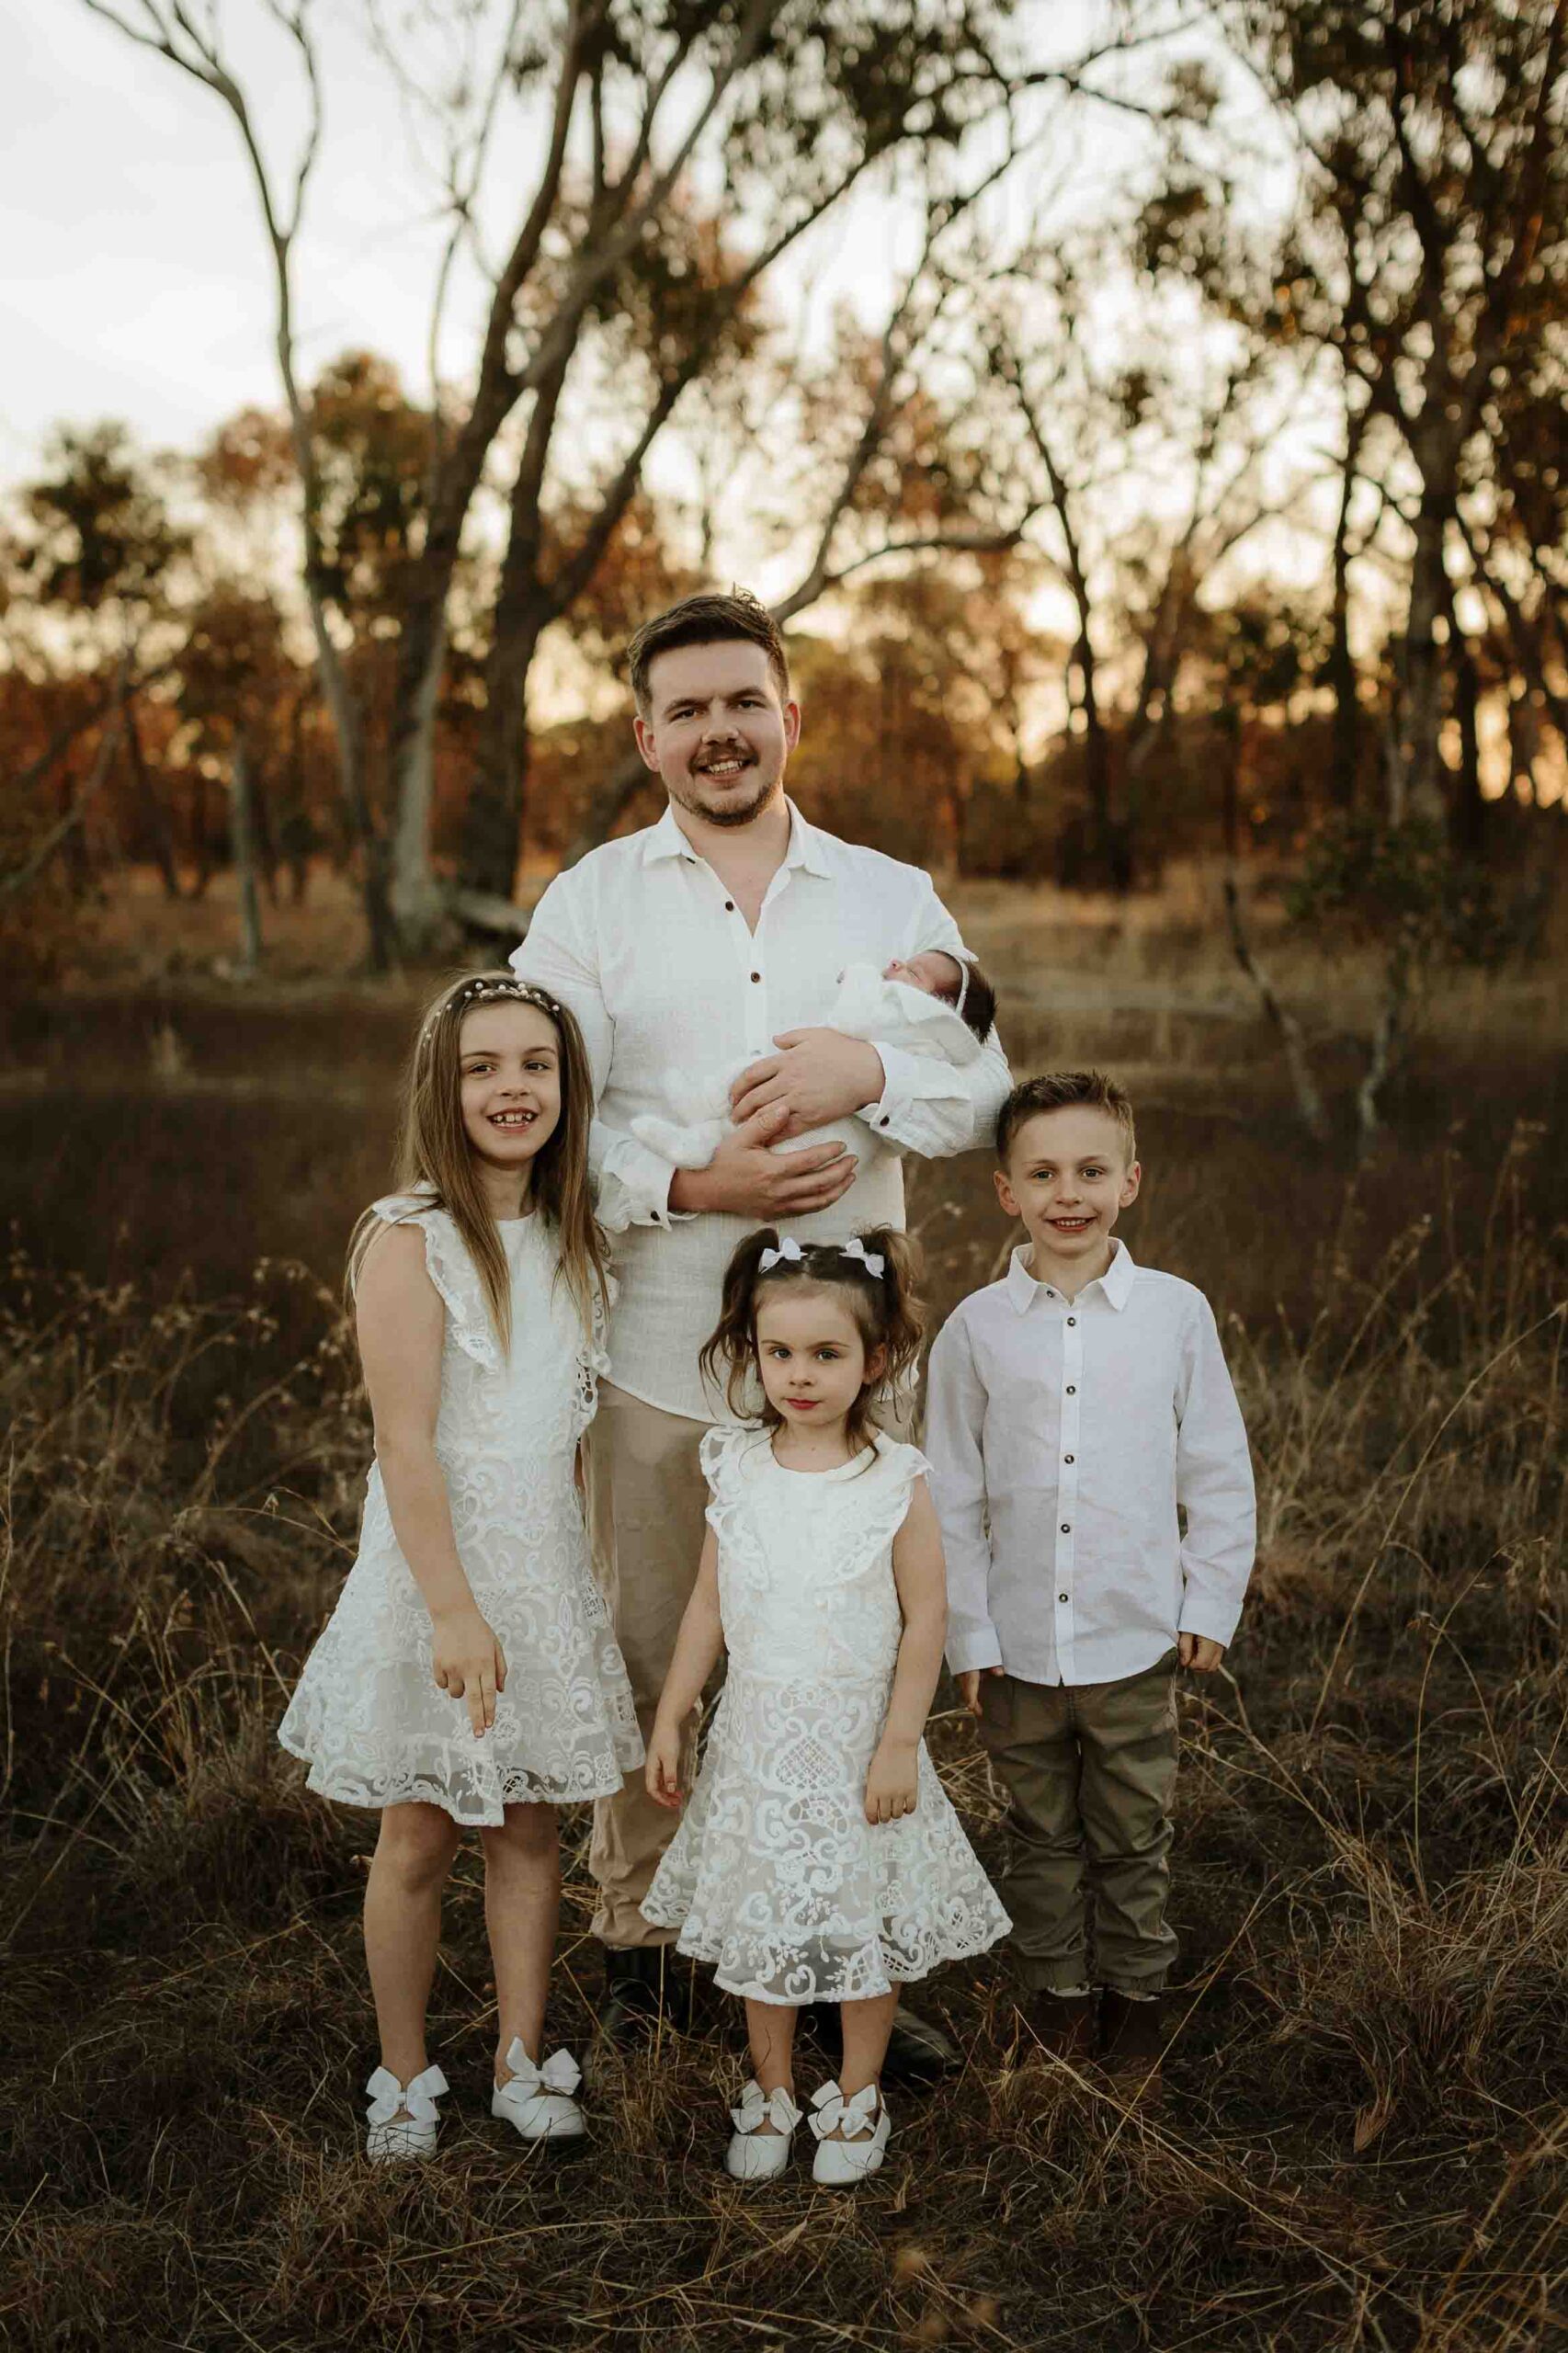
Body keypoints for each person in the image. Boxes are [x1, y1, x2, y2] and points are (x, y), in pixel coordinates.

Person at [510, 589, 1010, 2075]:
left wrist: (867, 1065)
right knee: (658, 1637)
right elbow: (533, 1109)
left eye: (745, 701)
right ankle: (652, 1947)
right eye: (688, 709)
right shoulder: (589, 901)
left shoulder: (888, 894)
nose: (719, 731)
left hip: (848, 1361)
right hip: (658, 1343)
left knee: (841, 1650)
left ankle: (834, 1942)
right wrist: (690, 1179)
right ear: (645, 734)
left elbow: (989, 1085)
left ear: (790, 714)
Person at [278, 972, 642, 2160]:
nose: (510, 1088)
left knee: (529, 1829)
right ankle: (401, 2072)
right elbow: (404, 1442)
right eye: (483, 1067)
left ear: (564, 1085)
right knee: (422, 1832)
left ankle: (522, 2057)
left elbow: (572, 1438)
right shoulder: (410, 1238)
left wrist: (566, 1586)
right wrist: (450, 1610)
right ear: (445, 1086)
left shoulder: (581, 1238)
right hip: (440, 1571)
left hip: (538, 1566)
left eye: (533, 1065)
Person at [640, 1230, 1008, 2183]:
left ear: (873, 1358)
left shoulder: (894, 1477)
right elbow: (708, 1604)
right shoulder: (736, 1466)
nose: (798, 1375)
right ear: (752, 1351)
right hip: (761, 1741)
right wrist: (675, 1709)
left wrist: (898, 1741)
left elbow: (926, 1617)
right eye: (779, 1353)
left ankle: (855, 2091)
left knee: (856, 1924)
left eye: (826, 1354)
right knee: (768, 1922)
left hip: (855, 1745)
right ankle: (768, 2087)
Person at [924, 1071, 1256, 2102]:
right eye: (1041, 1172)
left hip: (1130, 1637)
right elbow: (950, 1493)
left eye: (1089, 1170)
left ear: (1130, 1182)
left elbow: (1215, 1466)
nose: (1067, 1192)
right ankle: (1057, 2007)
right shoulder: (976, 1328)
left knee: (1128, 1831)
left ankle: (1136, 2015)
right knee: (1037, 1833)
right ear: (1004, 1192)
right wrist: (967, 1636)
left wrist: (1207, 1602)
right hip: (1018, 1645)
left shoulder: (1172, 1314)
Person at [630, 949, 999, 1172]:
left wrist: (861, 978)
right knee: (761, 1092)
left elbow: (851, 1019)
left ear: (940, 1009)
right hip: (835, 1142)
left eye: (912, 971)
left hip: (825, 1133)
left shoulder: (907, 1013)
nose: (895, 962)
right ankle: (697, 1141)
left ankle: (699, 1112)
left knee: (753, 1076)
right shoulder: (929, 1040)